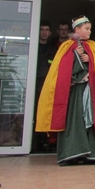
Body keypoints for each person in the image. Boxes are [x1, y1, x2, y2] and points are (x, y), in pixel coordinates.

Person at [36, 16, 95, 166]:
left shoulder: (94, 47)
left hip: (90, 91)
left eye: (90, 29)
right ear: (77, 29)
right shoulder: (66, 47)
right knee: (73, 121)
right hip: (73, 92)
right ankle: (70, 154)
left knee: (90, 121)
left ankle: (91, 154)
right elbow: (61, 70)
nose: (89, 32)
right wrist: (76, 56)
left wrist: (90, 60)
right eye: (86, 29)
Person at [33, 19, 56, 152]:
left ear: (50, 32)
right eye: (42, 30)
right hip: (33, 82)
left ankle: (44, 142)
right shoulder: (32, 46)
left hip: (47, 84)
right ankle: (33, 143)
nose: (44, 32)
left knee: (45, 113)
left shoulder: (53, 49)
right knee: (33, 112)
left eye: (46, 30)